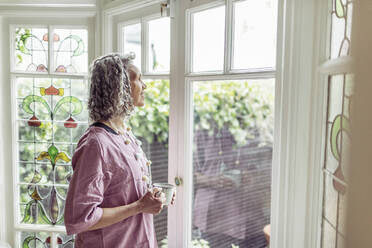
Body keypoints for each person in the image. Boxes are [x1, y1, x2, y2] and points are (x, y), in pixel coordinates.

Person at [64, 53, 175, 247]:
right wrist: (140, 206)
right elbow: (80, 217)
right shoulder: (96, 144)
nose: (144, 85)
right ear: (119, 88)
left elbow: (120, 193)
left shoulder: (124, 134)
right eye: (138, 79)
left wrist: (150, 198)